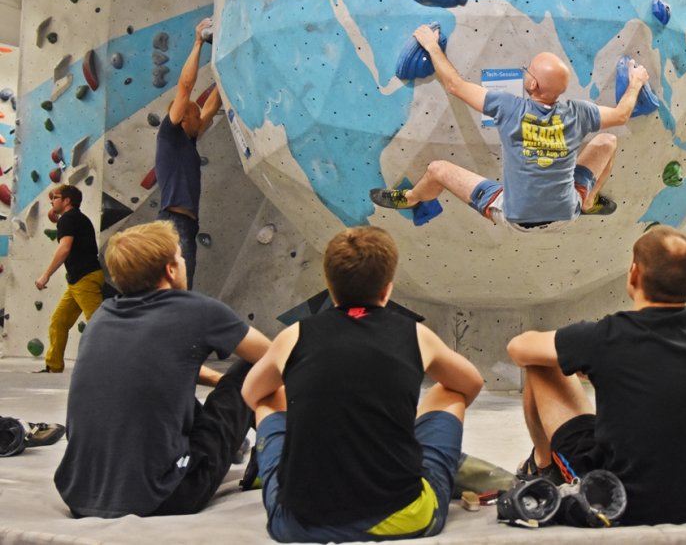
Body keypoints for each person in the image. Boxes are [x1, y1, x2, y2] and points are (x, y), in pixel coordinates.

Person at [242, 226, 484, 543]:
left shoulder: (294, 336)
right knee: (449, 389)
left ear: (330, 287)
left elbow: (251, 393)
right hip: (402, 517)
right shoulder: (414, 334)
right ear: (387, 289)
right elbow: (472, 384)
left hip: (299, 524)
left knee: (270, 397)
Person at [505, 225, 686, 525]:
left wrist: (592, 363)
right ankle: (544, 465)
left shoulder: (607, 336)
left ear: (633, 275)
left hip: (622, 503)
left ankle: (542, 467)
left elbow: (519, 348)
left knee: (540, 362)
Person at [54, 221, 271, 518]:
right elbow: (274, 356)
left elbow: (161, 366)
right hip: (168, 494)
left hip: (79, 493)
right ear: (171, 269)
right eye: (181, 257)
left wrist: (218, 380)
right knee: (251, 368)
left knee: (165, 394)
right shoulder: (198, 310)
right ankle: (279, 454)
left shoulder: (103, 316)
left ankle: (235, 446)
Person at [369, 24, 650, 231]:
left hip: (518, 217)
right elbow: (622, 115)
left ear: (532, 85)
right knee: (607, 142)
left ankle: (410, 199)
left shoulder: (509, 108)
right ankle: (588, 202)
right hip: (568, 210)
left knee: (437, 171)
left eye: (529, 72)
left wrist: (431, 46)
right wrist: (636, 81)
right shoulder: (579, 112)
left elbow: (455, 85)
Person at [155, 16, 222, 288]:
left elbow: (212, 107)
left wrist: (226, 67)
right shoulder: (169, 135)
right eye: (194, 114)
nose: (201, 119)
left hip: (185, 224)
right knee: (179, 293)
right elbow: (185, 88)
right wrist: (197, 43)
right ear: (184, 118)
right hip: (174, 223)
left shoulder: (188, 140)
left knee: (182, 290)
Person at [33, 185, 105, 373]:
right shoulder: (80, 219)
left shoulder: (67, 220)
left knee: (100, 323)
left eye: (55, 197)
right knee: (59, 321)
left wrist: (45, 275)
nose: (52, 201)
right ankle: (53, 366)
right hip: (78, 280)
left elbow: (64, 248)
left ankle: (111, 367)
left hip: (85, 279)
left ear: (67, 201)